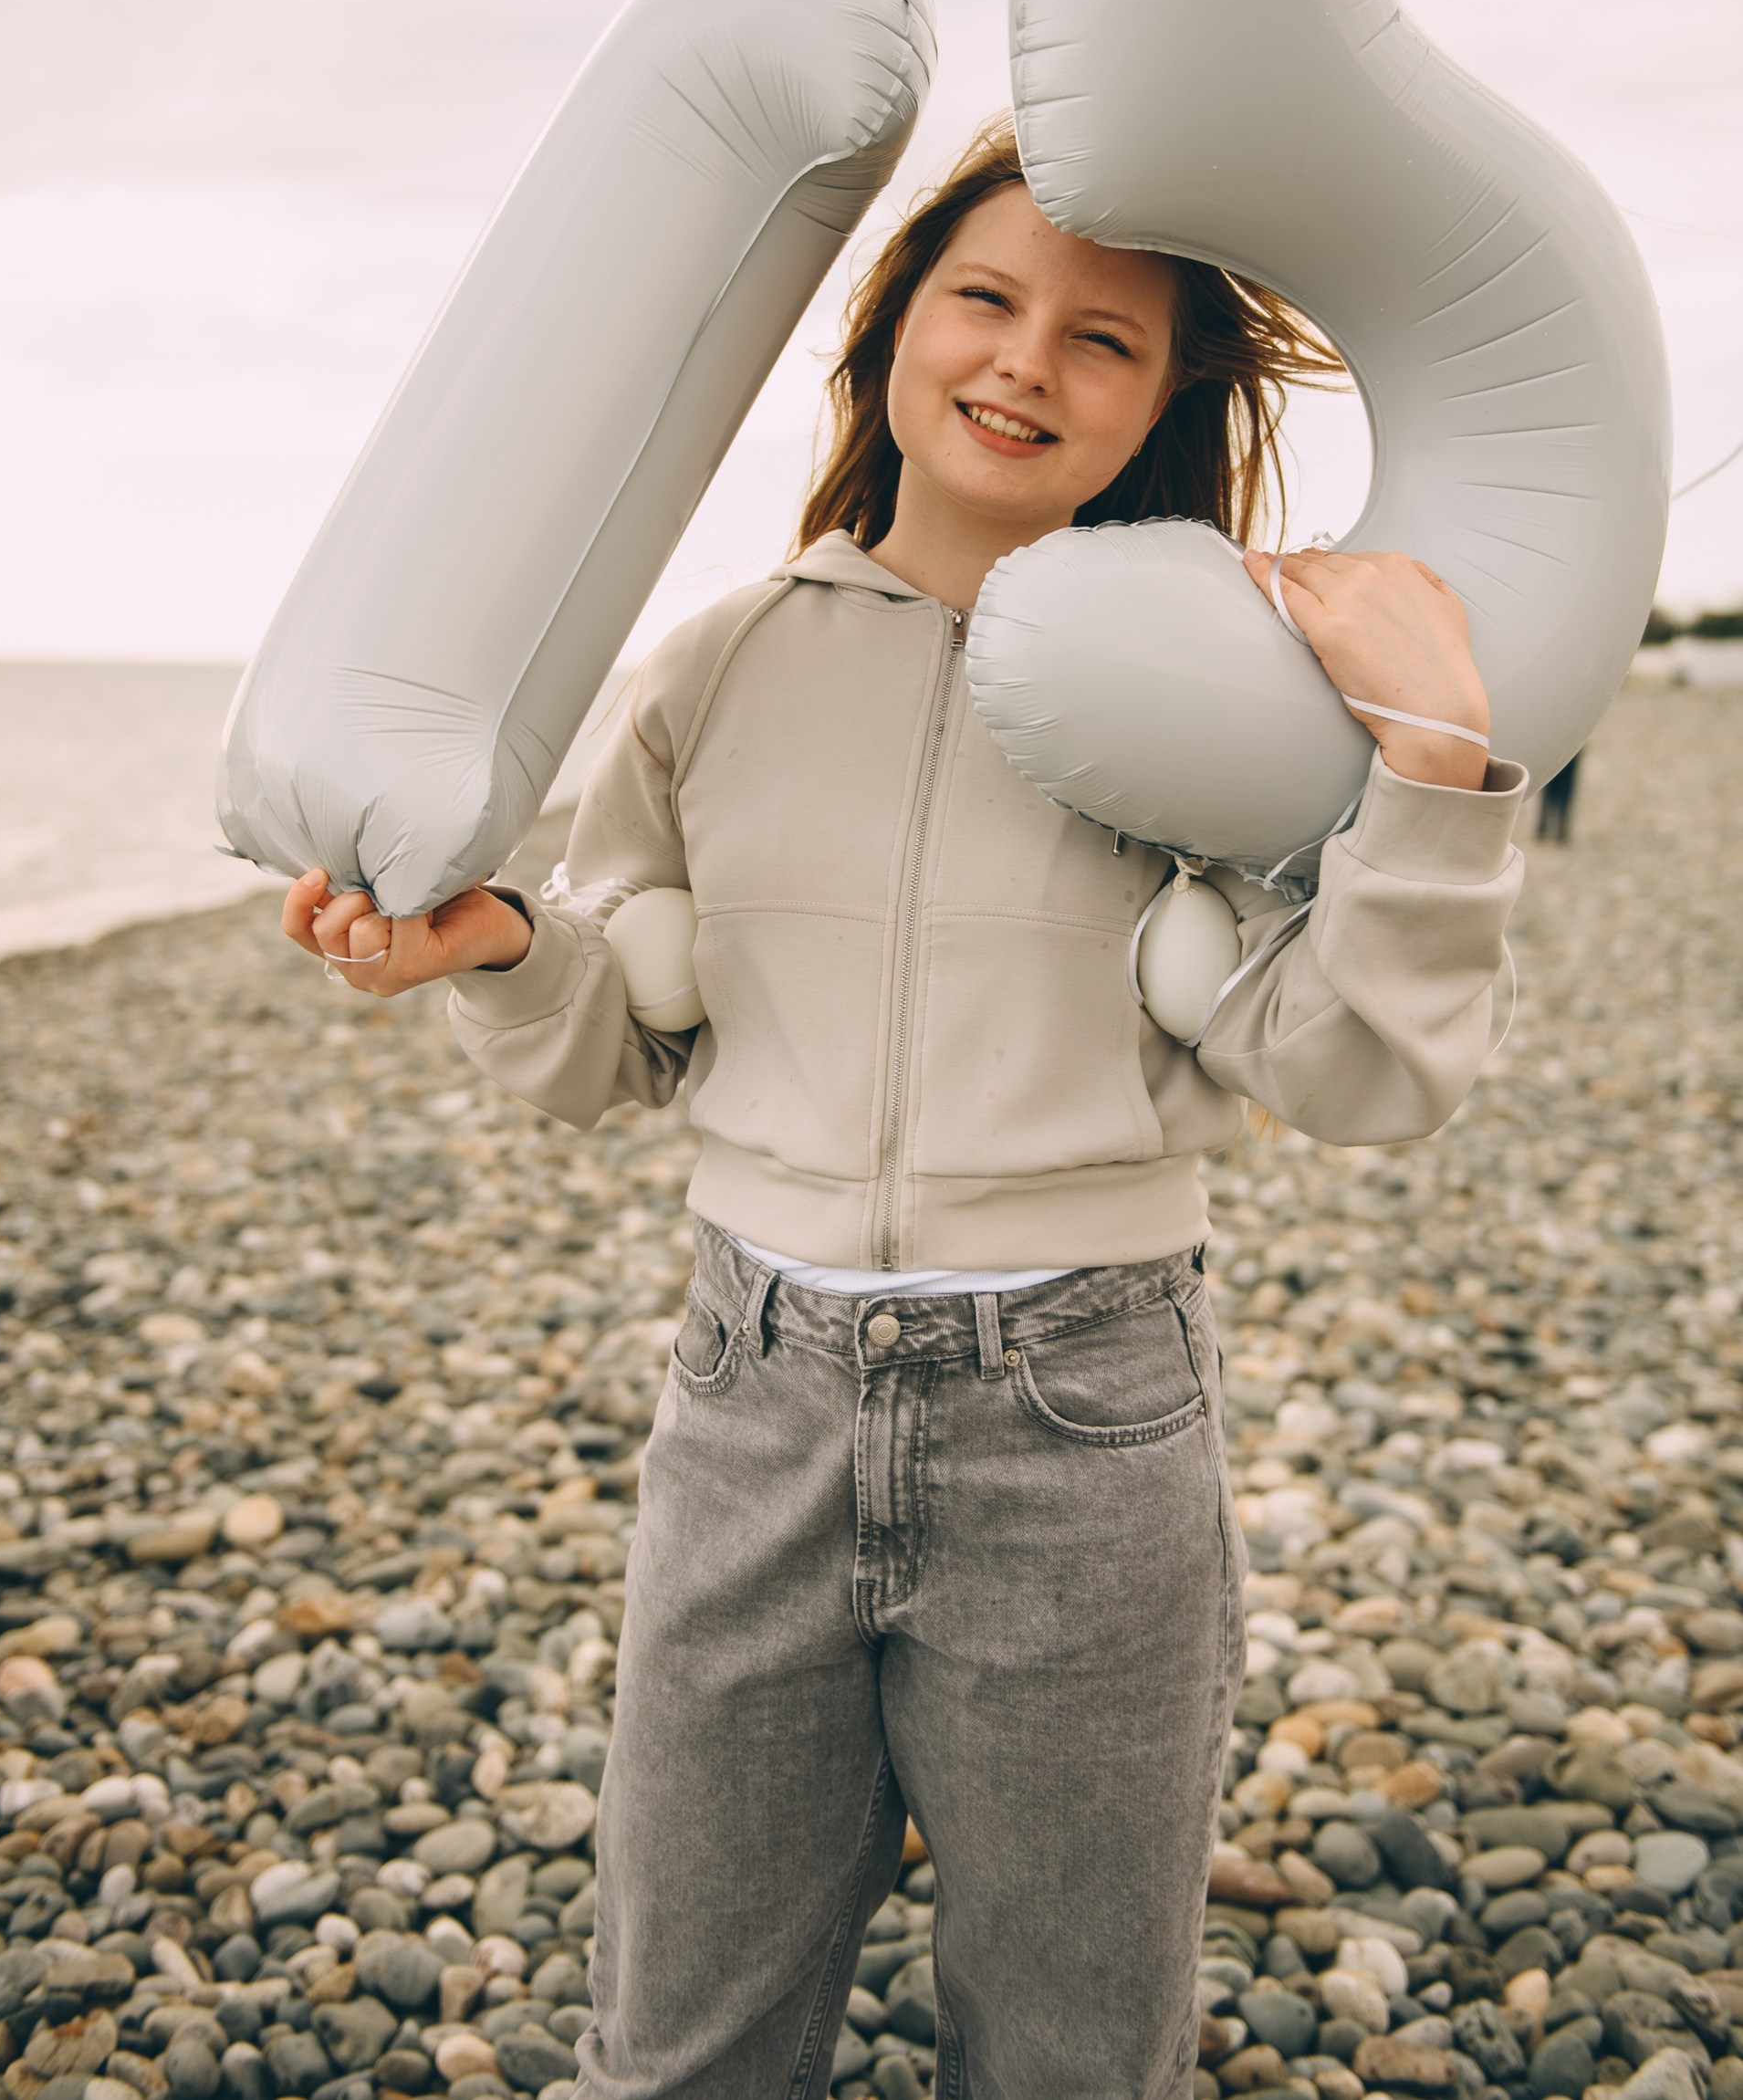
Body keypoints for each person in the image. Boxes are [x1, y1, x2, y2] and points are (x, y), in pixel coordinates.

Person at [281, 118, 1527, 2100]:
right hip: (748, 1406)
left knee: (1066, 2051)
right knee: (681, 2044)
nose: (1028, 361)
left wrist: (1439, 771)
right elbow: (626, 1037)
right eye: (984, 298)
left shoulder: (1220, 699)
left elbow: (1359, 1065)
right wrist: (498, 948)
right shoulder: (715, 667)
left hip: (1086, 1426)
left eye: (1103, 339)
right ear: (886, 332)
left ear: (1163, 404)